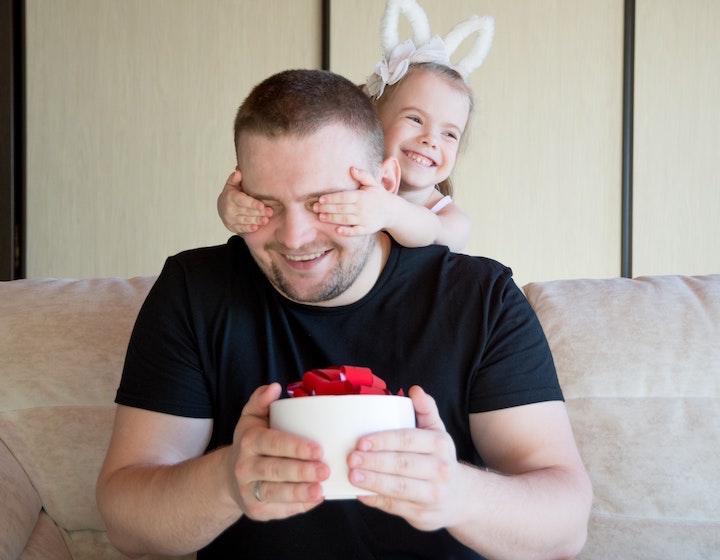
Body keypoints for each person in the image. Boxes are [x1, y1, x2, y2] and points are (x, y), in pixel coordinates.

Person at [96, 69, 592, 560]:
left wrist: (457, 494)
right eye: (266, 205)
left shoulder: (482, 299)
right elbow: (127, 524)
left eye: (322, 203)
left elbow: (566, 527)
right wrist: (227, 481)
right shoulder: (196, 290)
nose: (293, 238)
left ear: (385, 182)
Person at [216, 1, 495, 252]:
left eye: (449, 134)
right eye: (415, 119)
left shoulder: (449, 218)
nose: (430, 140)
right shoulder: (343, 178)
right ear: (371, 120)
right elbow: (287, 198)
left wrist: (390, 213)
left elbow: (437, 233)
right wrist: (233, 205)